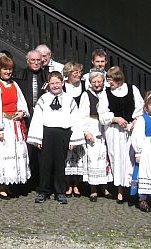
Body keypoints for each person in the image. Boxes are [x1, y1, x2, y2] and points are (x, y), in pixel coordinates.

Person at [27, 71, 84, 204]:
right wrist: (37, 138)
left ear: (62, 83)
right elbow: (37, 118)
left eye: (57, 83)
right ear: (48, 84)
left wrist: (74, 139)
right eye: (52, 83)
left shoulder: (69, 100)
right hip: (46, 133)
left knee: (60, 164)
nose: (55, 86)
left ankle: (60, 191)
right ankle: (43, 191)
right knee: (45, 164)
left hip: (63, 134)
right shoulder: (44, 99)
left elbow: (75, 119)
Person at [0, 56, 31, 199]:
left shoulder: (14, 85)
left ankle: (11, 184)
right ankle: (1, 186)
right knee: (4, 155)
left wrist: (21, 112)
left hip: (16, 124)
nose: (8, 72)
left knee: (16, 154)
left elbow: (22, 103)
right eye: (5, 69)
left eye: (10, 69)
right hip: (4, 125)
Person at [98, 66, 144, 204]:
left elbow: (140, 108)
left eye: (111, 80)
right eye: (108, 80)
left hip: (130, 130)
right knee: (116, 159)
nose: (109, 83)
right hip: (114, 131)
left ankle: (132, 190)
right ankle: (119, 191)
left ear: (118, 79)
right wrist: (116, 118)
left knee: (130, 159)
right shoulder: (105, 93)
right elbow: (103, 114)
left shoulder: (132, 89)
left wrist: (135, 121)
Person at [13, 50, 47, 191]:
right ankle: (26, 182)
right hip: (25, 116)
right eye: (33, 60)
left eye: (38, 60)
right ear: (27, 61)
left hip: (42, 117)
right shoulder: (19, 75)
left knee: (41, 150)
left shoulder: (47, 76)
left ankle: (41, 181)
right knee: (26, 150)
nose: (36, 62)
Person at [78, 69, 113, 202]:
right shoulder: (86, 95)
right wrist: (86, 132)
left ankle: (104, 187)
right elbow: (82, 115)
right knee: (93, 159)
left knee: (105, 158)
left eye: (99, 81)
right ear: (90, 82)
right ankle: (93, 189)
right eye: (94, 82)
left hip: (105, 128)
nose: (97, 84)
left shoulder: (107, 93)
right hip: (92, 126)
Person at [62, 62, 87, 197]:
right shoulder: (63, 86)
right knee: (66, 155)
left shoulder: (84, 86)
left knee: (79, 157)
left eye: (79, 72)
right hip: (66, 123)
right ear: (68, 74)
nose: (78, 74)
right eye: (75, 72)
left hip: (79, 122)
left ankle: (77, 185)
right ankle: (67, 184)